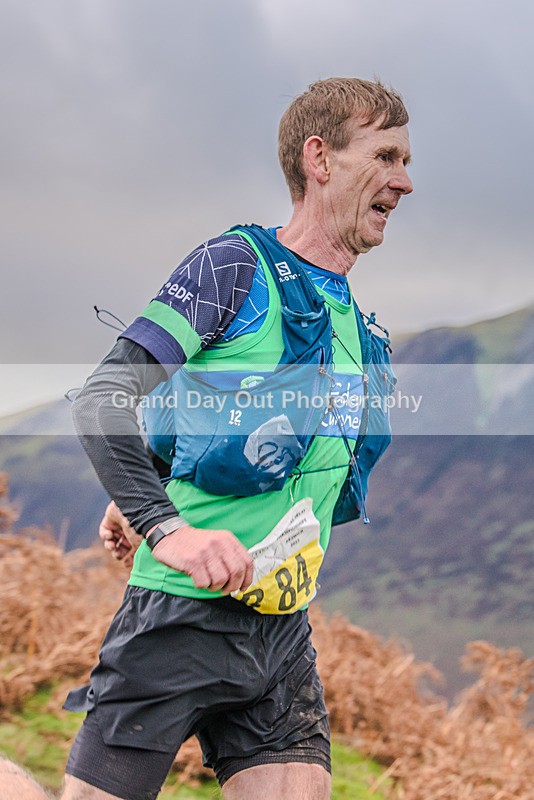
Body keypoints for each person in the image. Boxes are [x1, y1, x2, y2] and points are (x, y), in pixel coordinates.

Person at [2, 77, 412, 800]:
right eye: (384, 157)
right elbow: (106, 398)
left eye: (406, 162)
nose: (404, 182)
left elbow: (224, 402)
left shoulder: (352, 319)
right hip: (180, 616)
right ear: (320, 159)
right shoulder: (235, 266)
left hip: (281, 633)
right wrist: (167, 528)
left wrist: (151, 473)